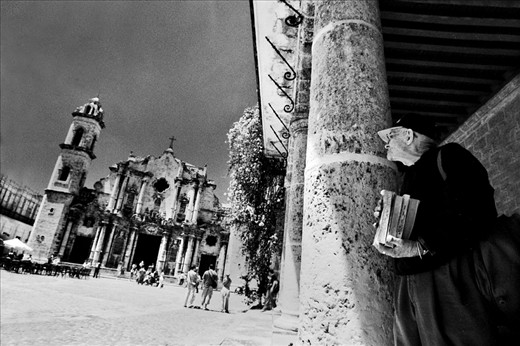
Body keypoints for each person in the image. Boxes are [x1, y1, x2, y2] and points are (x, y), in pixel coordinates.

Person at [373, 114, 498, 345]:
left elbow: (479, 212)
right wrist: (386, 220)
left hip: (446, 278)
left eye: (390, 136)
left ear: (409, 135)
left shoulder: (449, 156)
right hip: (409, 282)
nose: (385, 143)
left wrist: (421, 246)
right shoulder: (408, 176)